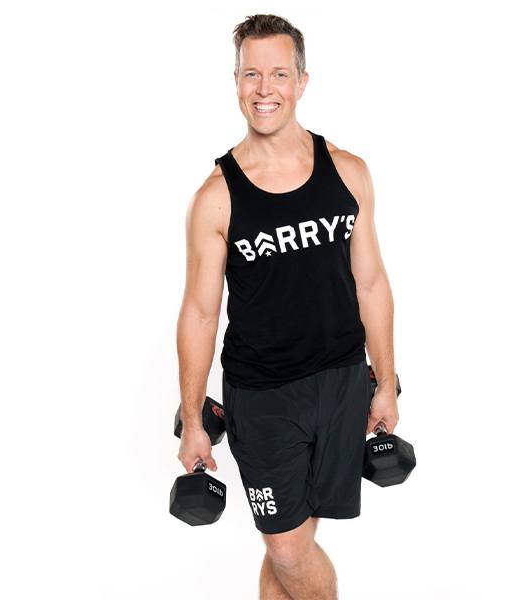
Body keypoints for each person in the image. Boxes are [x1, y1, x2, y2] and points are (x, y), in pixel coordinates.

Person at [175, 14, 399, 600]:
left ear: (302, 81)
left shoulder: (348, 172)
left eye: (278, 73)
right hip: (263, 393)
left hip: (341, 381)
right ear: (236, 81)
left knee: (294, 541)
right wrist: (194, 417)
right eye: (252, 74)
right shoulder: (217, 197)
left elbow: (371, 283)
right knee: (287, 546)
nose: (265, 88)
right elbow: (200, 312)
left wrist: (387, 384)